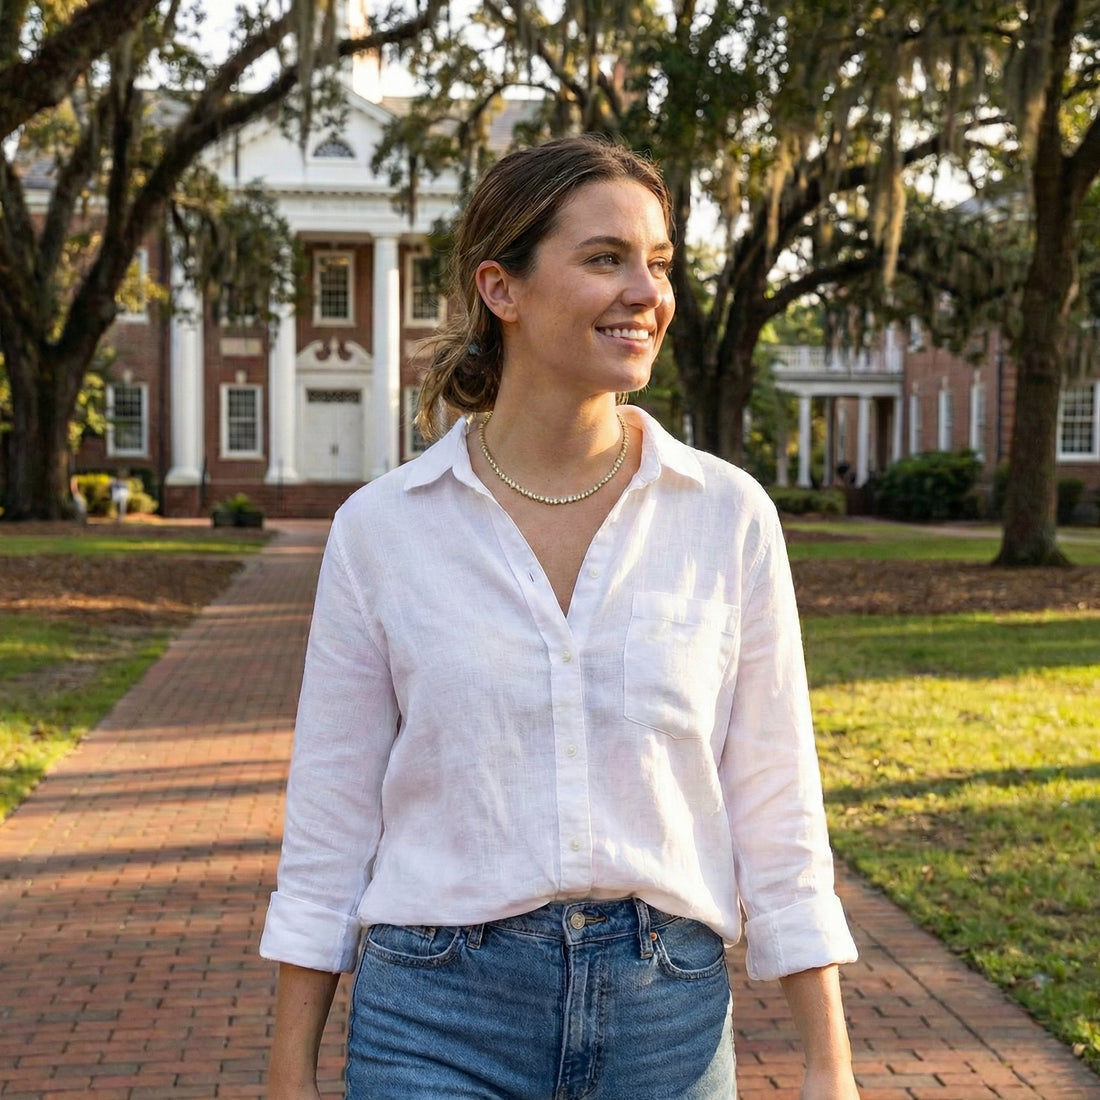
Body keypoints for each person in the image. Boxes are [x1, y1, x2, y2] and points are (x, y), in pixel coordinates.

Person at [261, 134, 860, 1100]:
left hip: (667, 1017)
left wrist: (831, 1071)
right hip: (435, 1018)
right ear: (502, 288)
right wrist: (288, 1074)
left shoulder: (727, 514)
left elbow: (777, 803)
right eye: (604, 258)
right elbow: (330, 824)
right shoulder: (381, 531)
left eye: (658, 263)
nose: (646, 292)